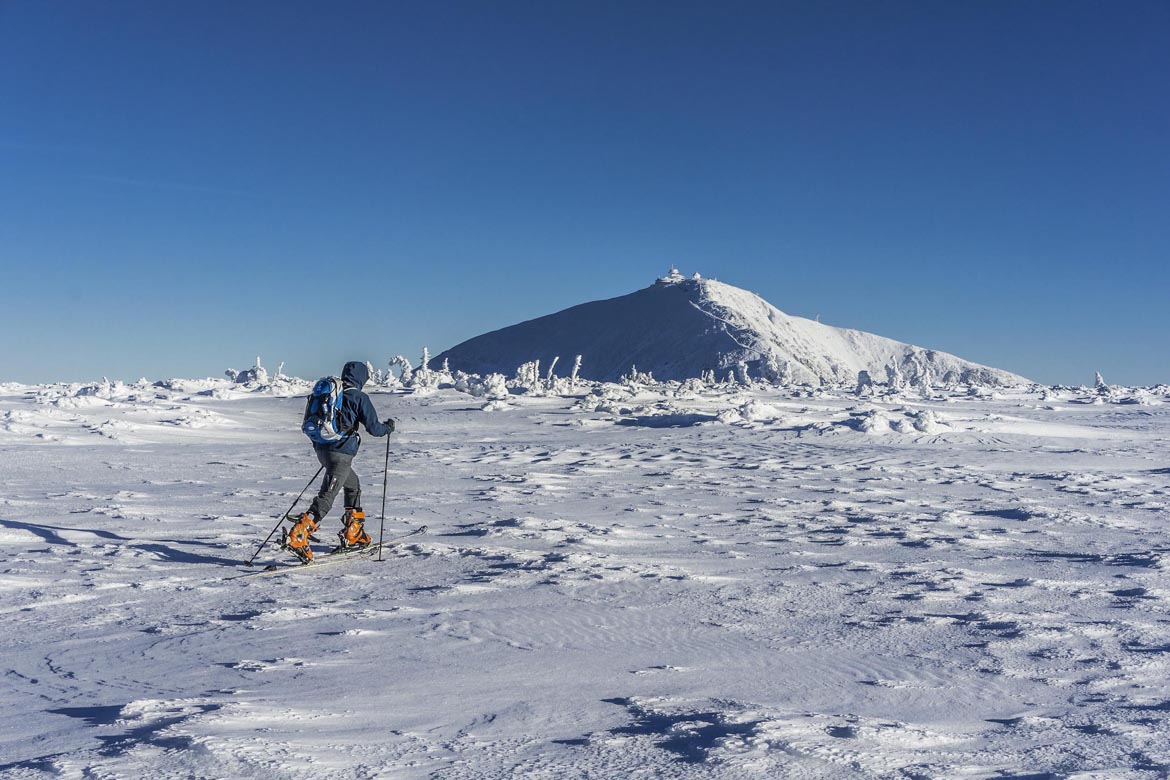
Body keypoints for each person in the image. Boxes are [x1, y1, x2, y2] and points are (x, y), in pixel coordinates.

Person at [283, 361, 394, 562]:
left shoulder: (334, 394)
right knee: (327, 496)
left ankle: (354, 533)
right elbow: (375, 429)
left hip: (323, 450)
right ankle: (298, 535)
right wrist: (388, 427)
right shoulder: (359, 397)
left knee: (353, 485)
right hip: (341, 455)